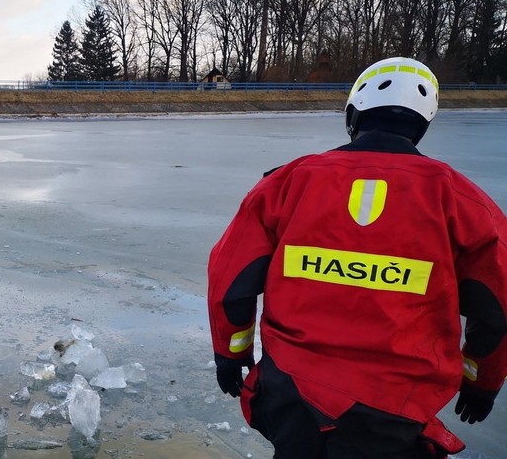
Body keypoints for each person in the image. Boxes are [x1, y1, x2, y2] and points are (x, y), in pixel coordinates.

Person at [208, 57, 507, 458]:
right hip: (396, 404)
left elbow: (231, 281)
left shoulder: (289, 181)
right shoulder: (462, 201)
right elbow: (497, 305)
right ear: (424, 125)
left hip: (291, 391)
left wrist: (230, 353)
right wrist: (481, 380)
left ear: (353, 113)